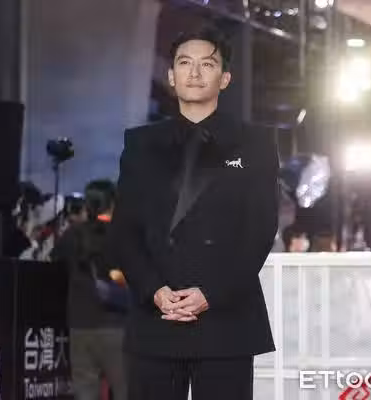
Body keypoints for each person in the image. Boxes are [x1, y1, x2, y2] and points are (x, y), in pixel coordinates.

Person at [109, 26, 279, 400]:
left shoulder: (256, 143)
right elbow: (124, 231)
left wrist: (211, 293)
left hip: (226, 318)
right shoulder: (141, 144)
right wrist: (154, 291)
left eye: (208, 64)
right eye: (185, 63)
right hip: (156, 318)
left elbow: (259, 231)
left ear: (225, 78)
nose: (195, 73)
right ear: (171, 75)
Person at [52, 179, 127, 400]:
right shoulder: (124, 235)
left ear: (87, 205)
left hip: (80, 326)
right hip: (118, 327)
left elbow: (53, 262)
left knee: (85, 393)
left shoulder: (71, 235)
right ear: (113, 203)